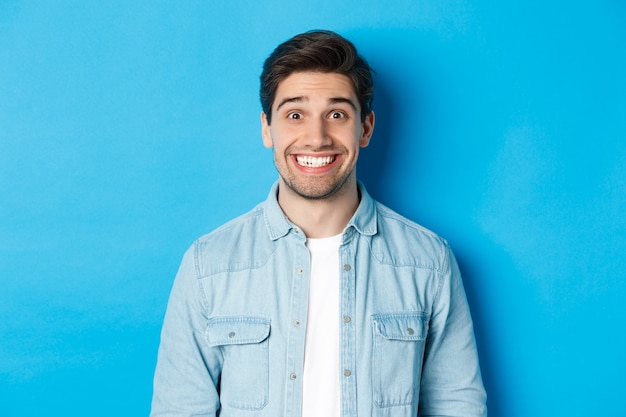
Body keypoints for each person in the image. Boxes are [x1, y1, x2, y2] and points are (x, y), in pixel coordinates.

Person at [150, 30, 487, 417]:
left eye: (337, 114)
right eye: (295, 115)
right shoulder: (208, 265)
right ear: (266, 128)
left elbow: (458, 406)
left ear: (365, 128)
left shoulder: (428, 262)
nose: (316, 138)